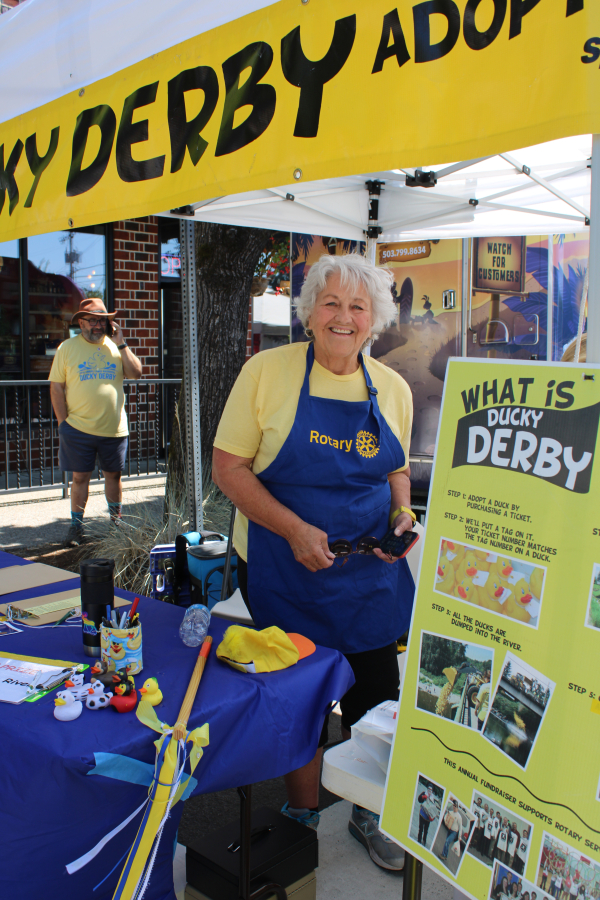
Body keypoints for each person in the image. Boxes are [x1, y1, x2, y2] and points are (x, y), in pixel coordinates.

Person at [213, 254, 414, 871]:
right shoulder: (266, 372)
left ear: (375, 318)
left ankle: (371, 812)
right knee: (298, 692)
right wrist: (295, 529)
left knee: (376, 695)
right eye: (331, 303)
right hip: (283, 566)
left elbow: (396, 467)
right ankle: (303, 812)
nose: (344, 317)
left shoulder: (393, 386)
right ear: (309, 312)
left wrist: (403, 515)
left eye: (358, 306)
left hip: (368, 575)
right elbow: (229, 469)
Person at [49, 298, 142, 546]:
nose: (98, 325)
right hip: (78, 428)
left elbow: (136, 373)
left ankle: (116, 523)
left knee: (114, 476)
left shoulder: (115, 346)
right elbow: (56, 388)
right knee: (80, 478)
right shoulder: (67, 348)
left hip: (114, 429)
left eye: (102, 320)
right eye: (92, 320)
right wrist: (63, 423)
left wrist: (121, 343)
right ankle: (76, 528)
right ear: (81, 322)